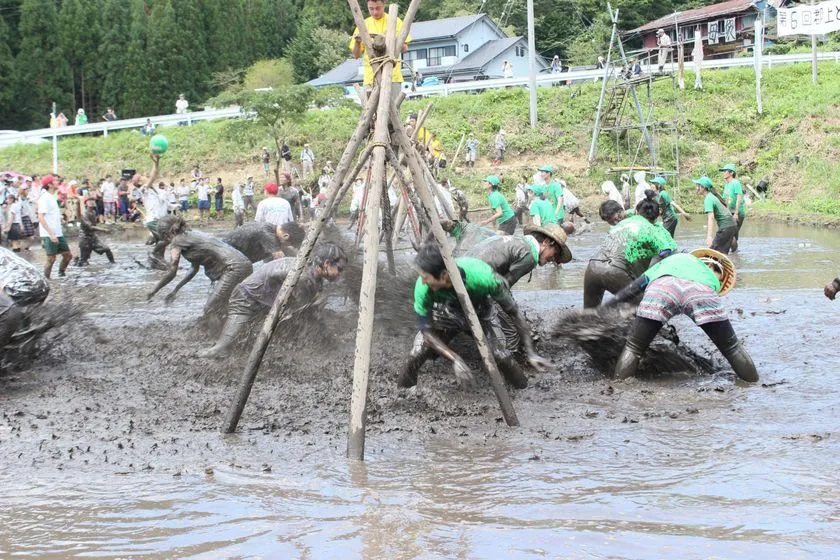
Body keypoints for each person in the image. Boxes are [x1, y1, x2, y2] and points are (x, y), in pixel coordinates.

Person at [398, 244, 550, 390]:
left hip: (481, 311)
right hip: (445, 312)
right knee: (417, 353)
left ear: (444, 275)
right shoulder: (423, 288)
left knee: (501, 356)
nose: (422, 281)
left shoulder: (484, 278)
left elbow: (514, 312)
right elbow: (427, 333)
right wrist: (455, 358)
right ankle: (402, 394)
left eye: (426, 277)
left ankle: (523, 389)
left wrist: (531, 352)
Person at [605, 249, 758, 382]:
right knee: (732, 348)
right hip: (701, 291)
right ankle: (752, 386)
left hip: (662, 288)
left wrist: (604, 308)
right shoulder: (708, 279)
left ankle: (619, 389)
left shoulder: (670, 261)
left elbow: (633, 288)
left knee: (634, 347)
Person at [199, 243, 347, 358]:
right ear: (326, 264)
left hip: (266, 300)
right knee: (223, 346)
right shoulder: (301, 275)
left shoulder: (315, 276)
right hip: (246, 296)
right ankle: (204, 354)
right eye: (339, 269)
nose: (340, 274)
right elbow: (277, 275)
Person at [146, 221, 253, 327]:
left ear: (166, 235)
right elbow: (194, 269)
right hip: (245, 264)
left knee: (210, 308)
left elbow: (172, 272)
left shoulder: (177, 241)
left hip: (233, 268)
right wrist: (175, 290)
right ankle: (237, 329)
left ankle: (216, 335)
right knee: (224, 306)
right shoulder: (192, 235)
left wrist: (154, 290)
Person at [583, 198, 676, 308]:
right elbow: (668, 252)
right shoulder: (655, 229)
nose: (615, 222)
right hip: (614, 270)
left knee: (589, 313)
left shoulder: (623, 223)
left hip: (592, 266)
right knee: (645, 309)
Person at [467, 223, 572, 289]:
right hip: (471, 280)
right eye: (555, 253)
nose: (553, 259)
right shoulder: (530, 256)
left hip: (463, 270)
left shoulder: (516, 240)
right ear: (546, 242)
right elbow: (503, 288)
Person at [350, 0, 412, 100]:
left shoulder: (395, 21)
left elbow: (405, 48)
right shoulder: (364, 24)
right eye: (371, 9)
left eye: (378, 8)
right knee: (370, 108)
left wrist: (393, 38)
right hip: (371, 77)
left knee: (393, 107)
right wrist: (357, 42)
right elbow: (356, 55)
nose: (375, 12)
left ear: (384, 5)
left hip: (392, 76)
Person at [37, 175, 73, 279]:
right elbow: (40, 217)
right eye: (56, 180)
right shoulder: (44, 198)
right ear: (49, 184)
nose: (58, 182)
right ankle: (46, 279)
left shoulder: (52, 196)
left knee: (68, 255)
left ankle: (61, 274)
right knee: (51, 258)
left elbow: (51, 213)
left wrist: (60, 218)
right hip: (49, 233)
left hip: (58, 232)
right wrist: (51, 234)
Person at [223, 221, 305, 263]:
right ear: (286, 236)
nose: (285, 246)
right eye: (288, 244)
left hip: (232, 256)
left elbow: (288, 252)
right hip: (226, 259)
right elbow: (281, 261)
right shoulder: (268, 235)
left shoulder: (270, 228)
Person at [694, 176, 737, 253]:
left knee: (713, 254)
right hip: (732, 225)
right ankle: (735, 256)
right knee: (722, 253)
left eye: (698, 185)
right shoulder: (714, 195)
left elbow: (711, 218)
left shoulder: (708, 199)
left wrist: (709, 237)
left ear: (703, 187)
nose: (696, 188)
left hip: (726, 227)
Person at [75, 199, 114, 266]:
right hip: (85, 238)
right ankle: (77, 261)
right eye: (90, 201)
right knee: (84, 261)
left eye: (93, 201)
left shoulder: (93, 212)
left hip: (93, 237)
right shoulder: (84, 214)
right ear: (86, 204)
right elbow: (90, 227)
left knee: (106, 249)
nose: (92, 202)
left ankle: (113, 263)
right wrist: (103, 230)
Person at [721, 164, 746, 252]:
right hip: (729, 212)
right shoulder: (726, 185)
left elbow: (739, 197)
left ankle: (734, 253)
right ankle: (735, 254)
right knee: (732, 235)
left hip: (737, 212)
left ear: (731, 173)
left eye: (725, 171)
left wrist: (736, 213)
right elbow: (725, 200)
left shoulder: (736, 183)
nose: (723, 173)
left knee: (730, 235)